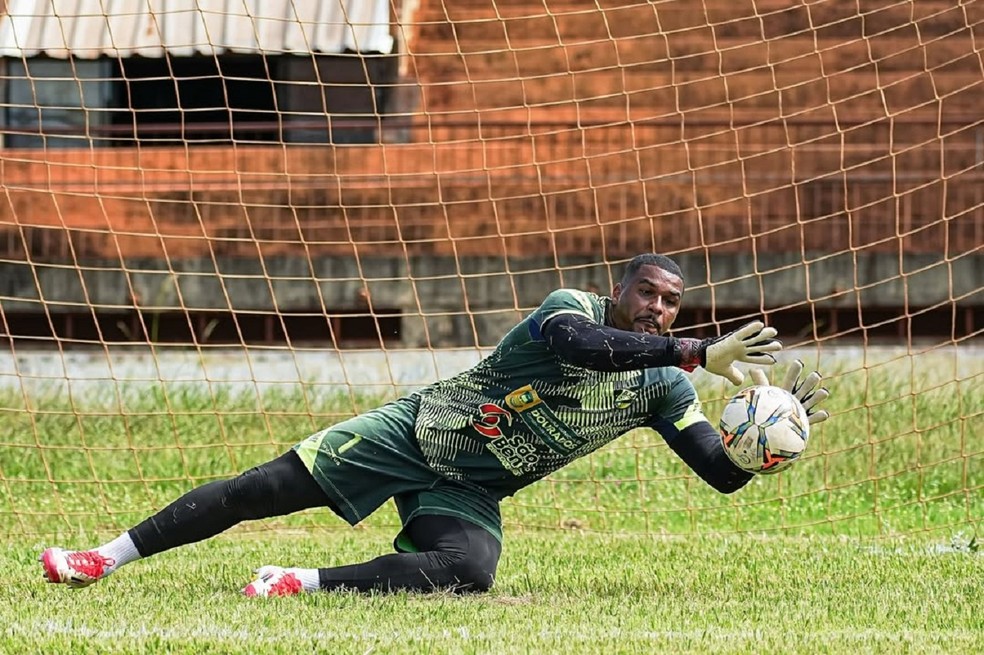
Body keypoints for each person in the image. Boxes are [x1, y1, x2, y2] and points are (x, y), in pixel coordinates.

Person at [39, 253, 829, 596]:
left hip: (469, 486)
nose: (658, 307)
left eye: (672, 302)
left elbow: (717, 471)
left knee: (470, 570)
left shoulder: (662, 385)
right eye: (648, 294)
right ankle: (103, 557)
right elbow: (581, 347)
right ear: (619, 289)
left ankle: (299, 581)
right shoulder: (571, 311)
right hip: (416, 434)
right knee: (261, 488)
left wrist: (764, 441)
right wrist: (695, 348)